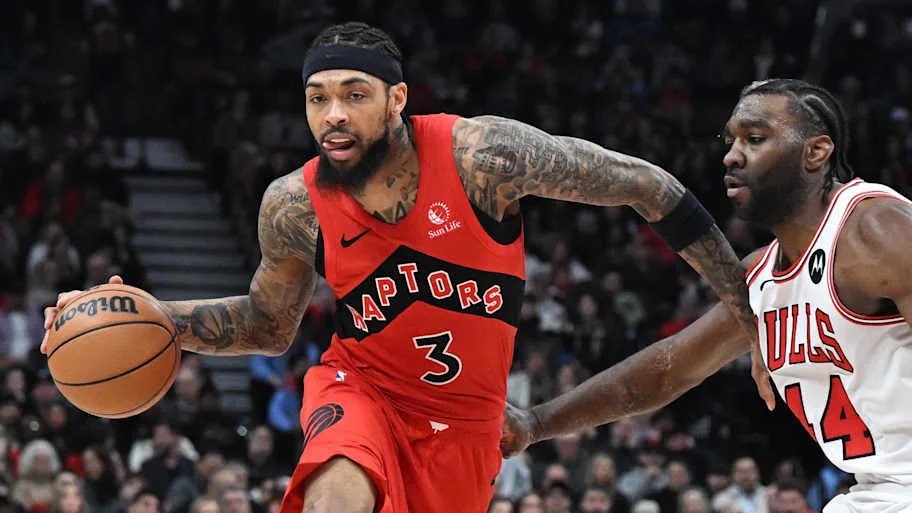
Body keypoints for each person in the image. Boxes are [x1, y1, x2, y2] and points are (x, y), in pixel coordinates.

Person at [42, 22, 755, 513]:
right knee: (337, 483)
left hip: (467, 423)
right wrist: (153, 318)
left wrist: (747, 313)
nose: (334, 114)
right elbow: (267, 324)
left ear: (397, 99)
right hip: (366, 388)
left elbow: (646, 185)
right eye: (318, 98)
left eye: (354, 93)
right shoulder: (294, 205)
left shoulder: (484, 157)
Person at [501, 79, 912, 513]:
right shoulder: (760, 278)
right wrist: (536, 423)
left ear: (816, 152)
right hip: (878, 489)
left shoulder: (877, 230)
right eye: (730, 140)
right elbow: (667, 371)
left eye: (755, 139)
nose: (732, 155)